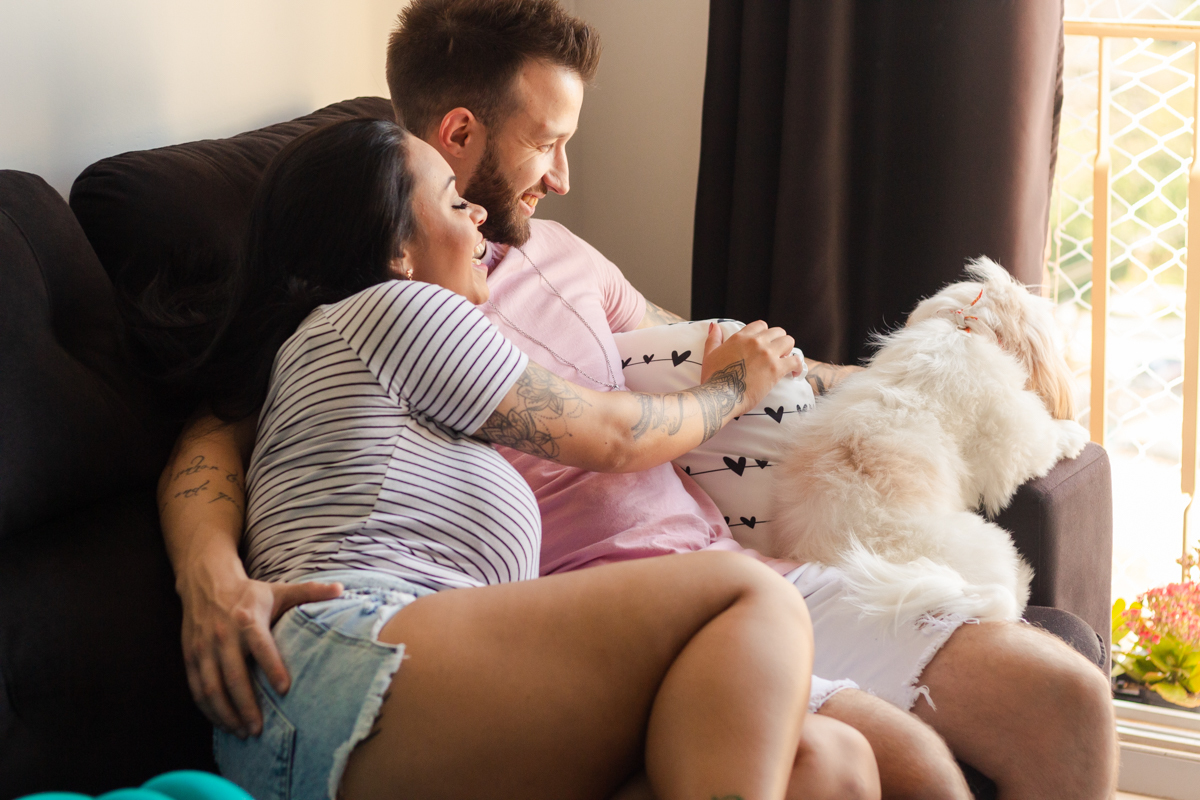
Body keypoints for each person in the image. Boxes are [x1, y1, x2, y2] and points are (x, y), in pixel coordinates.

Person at [161, 1, 1117, 798]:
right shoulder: (386, 308)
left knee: (883, 748)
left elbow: (711, 345)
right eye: (550, 142)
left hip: (578, 616)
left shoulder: (540, 265)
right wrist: (207, 573)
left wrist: (915, 372)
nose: (564, 177)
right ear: (454, 144)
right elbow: (615, 433)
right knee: (831, 687)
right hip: (465, 636)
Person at [189, 115, 879, 800]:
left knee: (830, 762)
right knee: (749, 595)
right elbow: (614, 436)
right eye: (456, 201)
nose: (480, 213)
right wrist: (733, 386)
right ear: (398, 247)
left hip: (358, 702)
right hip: (340, 667)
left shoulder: (347, 354)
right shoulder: (391, 309)